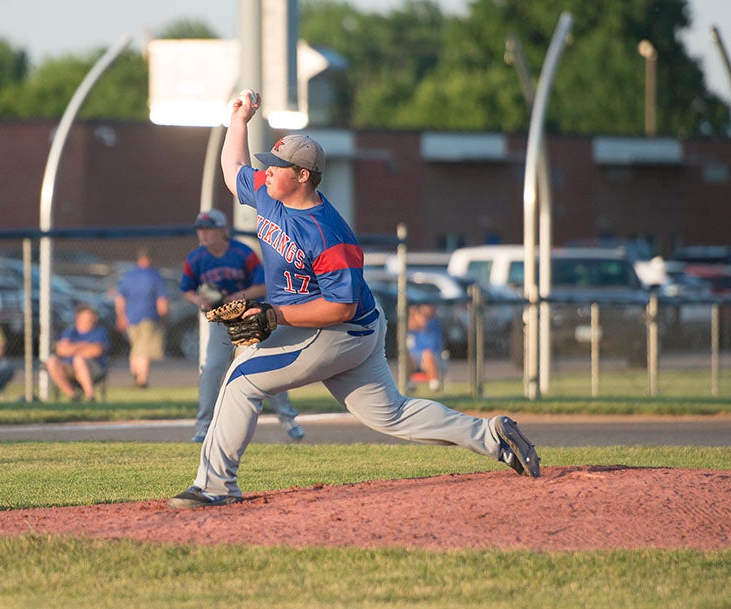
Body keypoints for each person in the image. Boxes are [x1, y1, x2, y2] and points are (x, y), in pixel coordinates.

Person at [168, 90, 540, 509]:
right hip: (341, 325)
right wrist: (240, 119)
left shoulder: (329, 233)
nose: (266, 172)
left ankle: (216, 486)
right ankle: (493, 436)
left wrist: (275, 315)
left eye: (277, 167)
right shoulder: (270, 194)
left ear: (304, 176)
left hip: (339, 329)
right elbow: (232, 169)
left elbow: (340, 307)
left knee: (242, 380)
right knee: (390, 414)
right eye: (268, 165)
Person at [180, 208, 304, 443]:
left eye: (209, 230)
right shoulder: (196, 258)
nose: (204, 234)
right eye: (201, 230)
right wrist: (200, 300)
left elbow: (262, 286)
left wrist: (236, 297)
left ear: (223, 231)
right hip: (221, 320)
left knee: (266, 366)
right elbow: (187, 289)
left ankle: (289, 419)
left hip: (250, 318)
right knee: (212, 369)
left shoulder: (242, 253)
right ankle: (204, 426)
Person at [115, 247, 168, 389]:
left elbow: (120, 298)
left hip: (131, 317)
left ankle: (135, 373)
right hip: (149, 316)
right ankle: (142, 380)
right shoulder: (154, 275)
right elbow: (161, 300)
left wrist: (120, 316)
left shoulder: (128, 275)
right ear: (150, 259)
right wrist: (163, 316)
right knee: (144, 349)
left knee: (135, 347)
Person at [46, 304, 109, 402]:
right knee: (52, 361)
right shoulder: (70, 332)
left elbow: (96, 351)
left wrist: (71, 349)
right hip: (70, 368)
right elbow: (61, 350)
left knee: (78, 359)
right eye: (88, 317)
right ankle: (73, 396)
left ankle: (90, 397)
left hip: (94, 369)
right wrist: (83, 345)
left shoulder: (99, 332)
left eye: (93, 317)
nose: (92, 320)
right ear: (78, 318)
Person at [407, 303, 445, 392]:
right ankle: (410, 383)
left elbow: (423, 324)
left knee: (427, 354)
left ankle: (434, 383)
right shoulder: (414, 321)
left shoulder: (434, 321)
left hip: (434, 355)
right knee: (407, 356)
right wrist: (413, 314)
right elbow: (412, 326)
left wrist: (415, 313)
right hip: (416, 355)